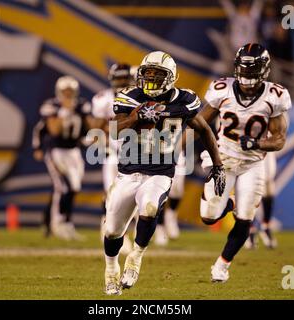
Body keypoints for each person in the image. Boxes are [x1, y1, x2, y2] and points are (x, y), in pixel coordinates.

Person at [103, 51, 226, 295]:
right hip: (128, 173)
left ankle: (136, 257)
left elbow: (204, 129)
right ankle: (110, 269)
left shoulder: (185, 99)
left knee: (149, 208)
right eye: (147, 74)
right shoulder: (130, 97)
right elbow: (115, 129)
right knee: (113, 231)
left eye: (157, 75)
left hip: (160, 173)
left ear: (170, 78)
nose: (150, 79)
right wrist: (136, 117)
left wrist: (218, 165)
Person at [199, 43, 291, 283]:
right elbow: (199, 122)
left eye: (253, 70)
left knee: (245, 218)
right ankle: (227, 203)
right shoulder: (222, 89)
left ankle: (222, 265)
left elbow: (280, 139)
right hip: (223, 159)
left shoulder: (275, 96)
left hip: (252, 163)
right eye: (245, 70)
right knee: (209, 216)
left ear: (264, 70)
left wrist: (257, 144)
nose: (248, 76)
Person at [32, 76, 92, 240]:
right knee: (65, 188)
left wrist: (89, 137)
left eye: (70, 91)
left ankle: (60, 222)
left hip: (74, 152)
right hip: (57, 151)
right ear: (59, 91)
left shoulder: (81, 105)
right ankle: (57, 224)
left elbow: (87, 126)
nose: (67, 94)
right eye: (65, 91)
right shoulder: (52, 106)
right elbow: (54, 130)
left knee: (72, 187)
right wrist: (65, 111)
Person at [91, 63, 136, 254]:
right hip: (114, 153)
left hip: (134, 154)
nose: (121, 83)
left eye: (124, 79)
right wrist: (102, 143)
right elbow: (96, 127)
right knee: (112, 194)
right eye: (118, 79)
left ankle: (127, 234)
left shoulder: (137, 97)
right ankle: (111, 231)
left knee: (132, 197)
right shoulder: (103, 99)